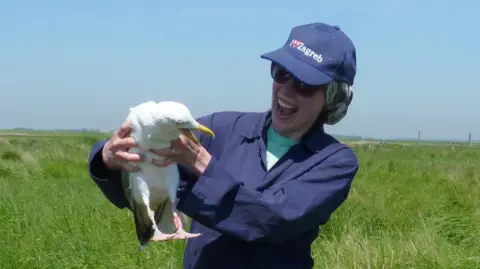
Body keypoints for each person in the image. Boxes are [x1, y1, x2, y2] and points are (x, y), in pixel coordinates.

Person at [88, 22, 359, 269]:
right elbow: (148, 184)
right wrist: (111, 160)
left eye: (304, 84)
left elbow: (271, 220)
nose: (286, 91)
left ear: (333, 97)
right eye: (281, 73)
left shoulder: (334, 162)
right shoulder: (222, 128)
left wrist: (203, 166)